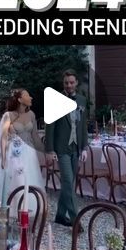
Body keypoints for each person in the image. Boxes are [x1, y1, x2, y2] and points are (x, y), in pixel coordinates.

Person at [0, 89, 45, 210]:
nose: (31, 98)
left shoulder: (31, 114)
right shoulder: (9, 115)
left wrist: (45, 151)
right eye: (28, 96)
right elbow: (3, 138)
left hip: (29, 152)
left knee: (28, 179)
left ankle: (27, 207)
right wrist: (3, 157)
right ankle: (10, 207)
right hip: (13, 152)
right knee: (15, 179)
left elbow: (35, 136)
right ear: (20, 99)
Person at [45, 69, 88, 230]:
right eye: (66, 83)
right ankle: (76, 220)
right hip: (61, 149)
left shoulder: (82, 100)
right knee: (68, 183)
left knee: (69, 183)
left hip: (76, 149)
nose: (69, 85)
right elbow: (50, 127)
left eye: (71, 82)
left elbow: (82, 126)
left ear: (76, 83)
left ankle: (60, 216)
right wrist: (50, 150)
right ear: (63, 84)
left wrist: (84, 147)